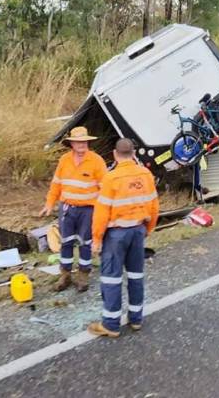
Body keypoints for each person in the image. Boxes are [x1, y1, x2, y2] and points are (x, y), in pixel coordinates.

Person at [88, 138, 159, 338]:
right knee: (136, 276)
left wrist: (96, 238)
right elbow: (154, 206)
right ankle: (136, 319)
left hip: (116, 235)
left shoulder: (111, 178)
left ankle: (111, 324)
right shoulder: (145, 174)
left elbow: (101, 213)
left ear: (115, 154)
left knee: (111, 278)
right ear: (134, 154)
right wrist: (148, 229)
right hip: (138, 231)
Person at [41, 126, 108, 293]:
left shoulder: (97, 161)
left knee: (86, 243)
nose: (82, 145)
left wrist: (105, 211)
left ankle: (83, 276)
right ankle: (65, 275)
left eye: (84, 142)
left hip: (88, 210)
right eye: (78, 142)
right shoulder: (64, 160)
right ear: (72, 144)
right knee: (66, 242)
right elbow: (56, 184)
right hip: (67, 209)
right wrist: (49, 204)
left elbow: (105, 189)